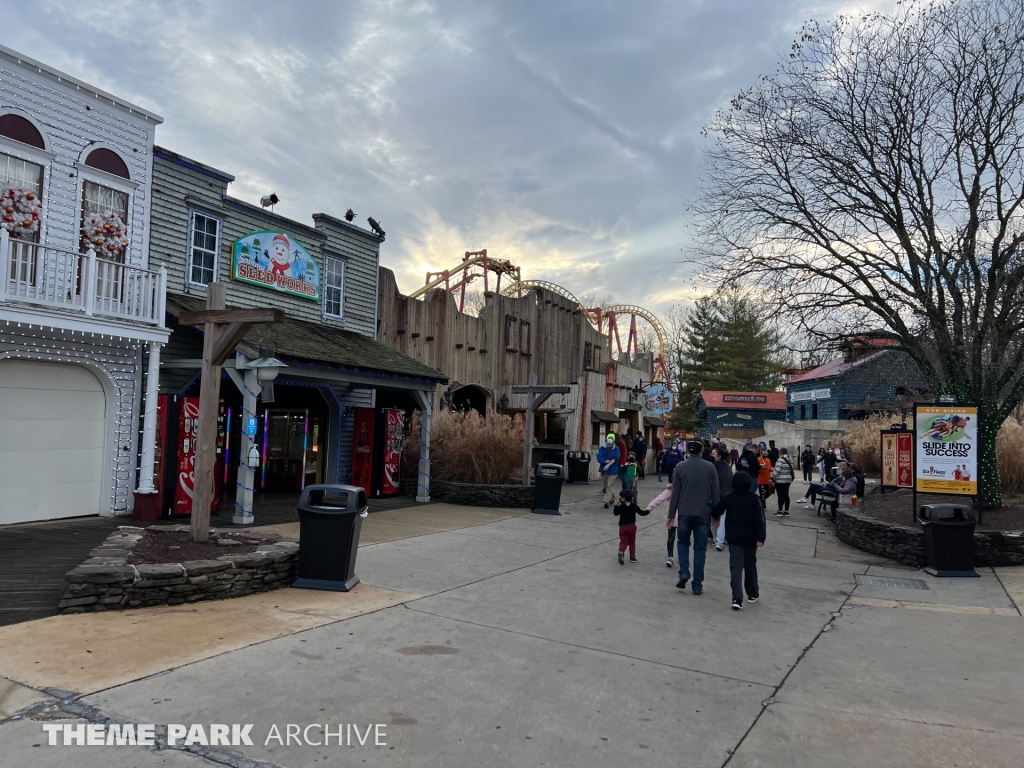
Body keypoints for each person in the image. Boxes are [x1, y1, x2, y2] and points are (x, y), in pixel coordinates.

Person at [667, 440, 721, 595]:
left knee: (683, 543)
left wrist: (671, 515)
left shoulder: (680, 467)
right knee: (700, 549)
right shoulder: (710, 467)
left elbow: (675, 493)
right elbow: (715, 493)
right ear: (702, 450)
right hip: (703, 513)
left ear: (689, 451)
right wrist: (716, 515)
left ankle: (684, 573)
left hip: (684, 512)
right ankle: (697, 585)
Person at [712, 472, 766, 610]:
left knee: (736, 568)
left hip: (734, 537)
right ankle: (752, 593)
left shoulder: (729, 497)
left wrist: (716, 518)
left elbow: (717, 509)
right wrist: (761, 537)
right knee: (750, 565)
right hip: (751, 538)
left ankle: (737, 598)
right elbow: (760, 520)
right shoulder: (755, 499)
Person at [614, 488, 649, 564]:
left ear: (623, 498)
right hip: (632, 526)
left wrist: (616, 505)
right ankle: (632, 557)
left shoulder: (621, 507)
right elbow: (641, 513)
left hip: (623, 527)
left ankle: (621, 551)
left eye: (620, 497)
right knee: (632, 542)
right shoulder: (634, 506)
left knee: (623, 541)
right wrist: (648, 510)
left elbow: (615, 513)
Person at [646, 482, 676, 567]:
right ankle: (682, 557)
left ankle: (670, 557)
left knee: (671, 537)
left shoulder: (671, 489)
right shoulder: (687, 487)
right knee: (683, 540)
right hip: (684, 517)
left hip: (672, 517)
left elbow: (659, 499)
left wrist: (649, 508)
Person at [711, 444, 734, 551]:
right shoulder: (727, 467)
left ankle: (717, 540)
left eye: (714, 454)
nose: (712, 455)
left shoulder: (713, 467)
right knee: (722, 518)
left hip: (716, 496)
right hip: (726, 495)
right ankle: (719, 541)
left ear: (719, 456)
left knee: (714, 518)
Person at [770, 447, 795, 517]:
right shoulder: (790, 459)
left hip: (780, 480)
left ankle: (780, 511)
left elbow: (777, 470)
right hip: (788, 480)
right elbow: (792, 467)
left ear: (780, 452)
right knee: (786, 495)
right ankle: (786, 511)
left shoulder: (780, 459)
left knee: (780, 495)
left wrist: (772, 477)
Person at [597, 435, 620, 501]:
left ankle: (606, 500)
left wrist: (608, 465)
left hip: (613, 470)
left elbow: (616, 458)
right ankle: (612, 499)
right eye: (608, 444)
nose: (609, 445)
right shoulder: (602, 448)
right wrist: (604, 461)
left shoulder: (616, 449)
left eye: (610, 444)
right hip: (603, 470)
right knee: (607, 486)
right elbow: (599, 457)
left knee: (609, 486)